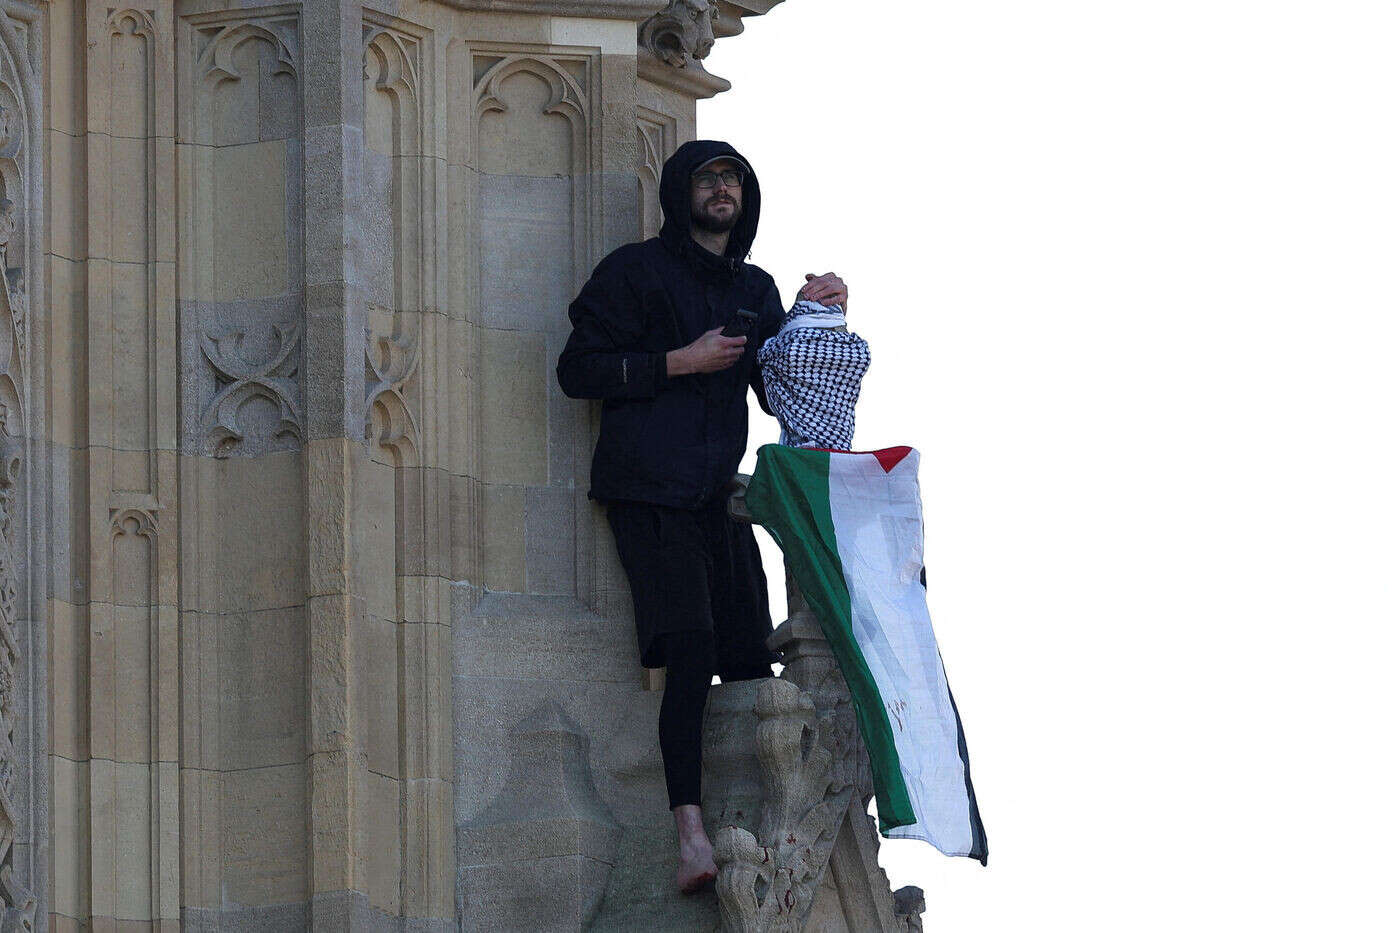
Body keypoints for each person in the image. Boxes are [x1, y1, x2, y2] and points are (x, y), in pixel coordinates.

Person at [556, 139, 848, 893]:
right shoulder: (634, 270)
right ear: (682, 189)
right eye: (711, 177)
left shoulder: (755, 286)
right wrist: (677, 361)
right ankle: (690, 834)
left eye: (735, 179)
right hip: (649, 491)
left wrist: (818, 319)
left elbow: (784, 388)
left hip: (720, 498)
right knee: (690, 650)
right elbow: (577, 369)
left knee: (751, 654)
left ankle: (764, 832)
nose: (723, 189)